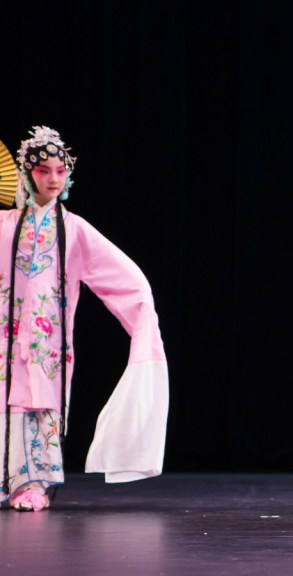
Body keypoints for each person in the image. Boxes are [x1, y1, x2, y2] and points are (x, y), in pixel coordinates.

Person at [1, 126, 169, 511]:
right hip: (5, 337)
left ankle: (33, 485)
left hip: (46, 342)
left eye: (60, 171)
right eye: (43, 171)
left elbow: (126, 279)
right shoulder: (5, 226)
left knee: (40, 403)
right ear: (28, 173)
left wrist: (142, 314)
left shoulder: (74, 230)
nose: (53, 179)